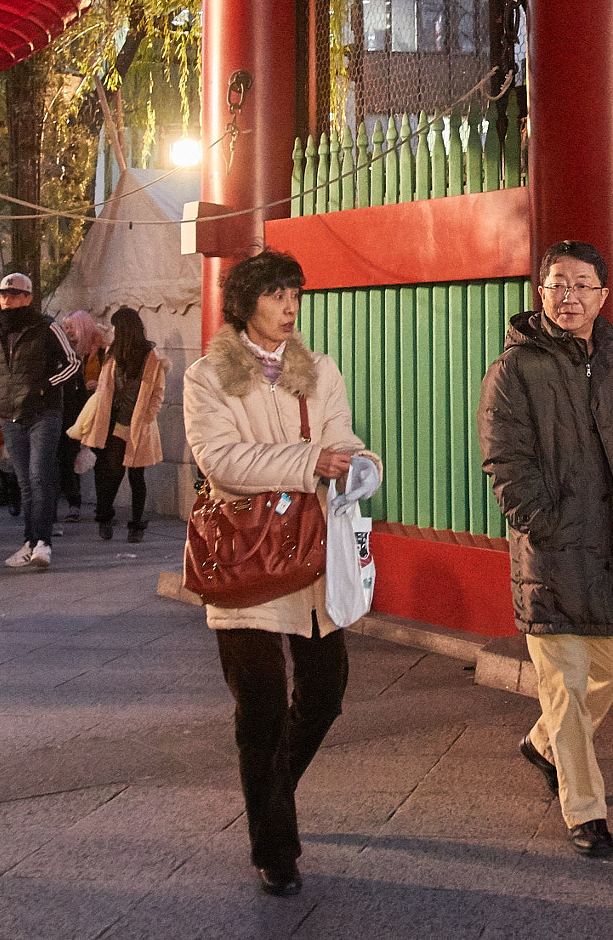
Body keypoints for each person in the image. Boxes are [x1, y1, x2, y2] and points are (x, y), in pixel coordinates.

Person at [184, 249, 374, 897]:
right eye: (276, 293)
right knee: (260, 706)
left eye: (296, 292)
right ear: (246, 301)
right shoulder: (208, 375)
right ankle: (276, 845)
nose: (290, 305)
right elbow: (220, 460)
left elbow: (340, 437)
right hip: (242, 559)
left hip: (309, 553)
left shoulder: (319, 369)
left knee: (326, 690)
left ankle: (271, 791)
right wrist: (308, 461)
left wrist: (355, 461)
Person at [480, 240, 613, 860]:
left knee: (612, 669)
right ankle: (585, 811)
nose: (570, 296)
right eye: (558, 284)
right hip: (552, 550)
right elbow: (503, 457)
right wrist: (539, 520)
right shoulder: (515, 370)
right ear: (541, 292)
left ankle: (541, 745)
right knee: (563, 688)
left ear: (603, 296)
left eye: (583, 285)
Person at [0, 272, 80, 571]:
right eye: (3, 294)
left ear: (28, 298)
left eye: (13, 295)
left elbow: (73, 363)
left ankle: (43, 543)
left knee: (40, 475)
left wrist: (45, 385)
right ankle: (30, 541)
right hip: (10, 414)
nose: (6, 300)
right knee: (25, 481)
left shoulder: (47, 326)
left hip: (43, 411)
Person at [69, 306, 166, 542]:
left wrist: (146, 417)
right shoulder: (112, 353)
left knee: (136, 477)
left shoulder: (151, 356)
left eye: (114, 326)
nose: (111, 331)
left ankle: (137, 525)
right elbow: (104, 386)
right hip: (113, 421)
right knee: (112, 473)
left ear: (123, 329)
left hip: (138, 424)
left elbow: (158, 393)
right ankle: (104, 516)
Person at [55, 311, 103, 524]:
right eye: (65, 328)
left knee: (74, 459)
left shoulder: (99, 351)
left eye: (71, 327)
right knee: (62, 460)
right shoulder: (65, 353)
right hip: (66, 411)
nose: (68, 332)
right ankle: (66, 503)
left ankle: (80, 503)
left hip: (89, 411)